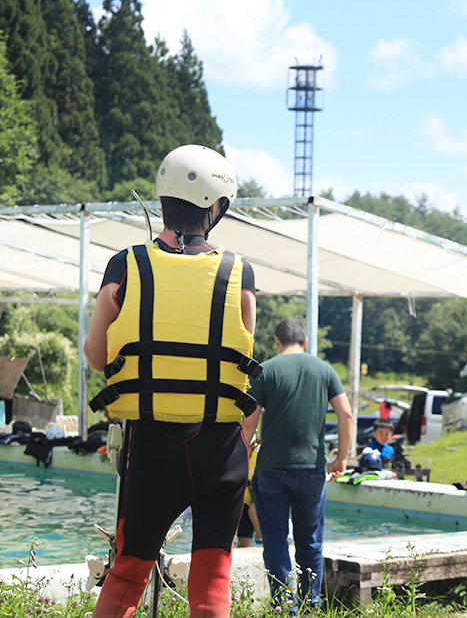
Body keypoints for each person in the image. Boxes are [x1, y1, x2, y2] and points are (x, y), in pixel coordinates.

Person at [83, 144, 258, 618]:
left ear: (163, 199)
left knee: (127, 573)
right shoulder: (238, 273)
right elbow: (242, 351)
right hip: (221, 450)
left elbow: (98, 356)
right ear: (216, 209)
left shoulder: (126, 265)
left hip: (152, 446)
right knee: (212, 583)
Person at [245, 318, 354, 612]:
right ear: (305, 342)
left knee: (275, 539)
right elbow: (346, 414)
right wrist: (341, 457)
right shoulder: (325, 370)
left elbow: (248, 422)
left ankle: (283, 607)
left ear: (277, 341)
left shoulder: (265, 370)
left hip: (271, 469)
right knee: (311, 541)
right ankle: (310, 605)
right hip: (313, 469)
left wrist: (241, 459)